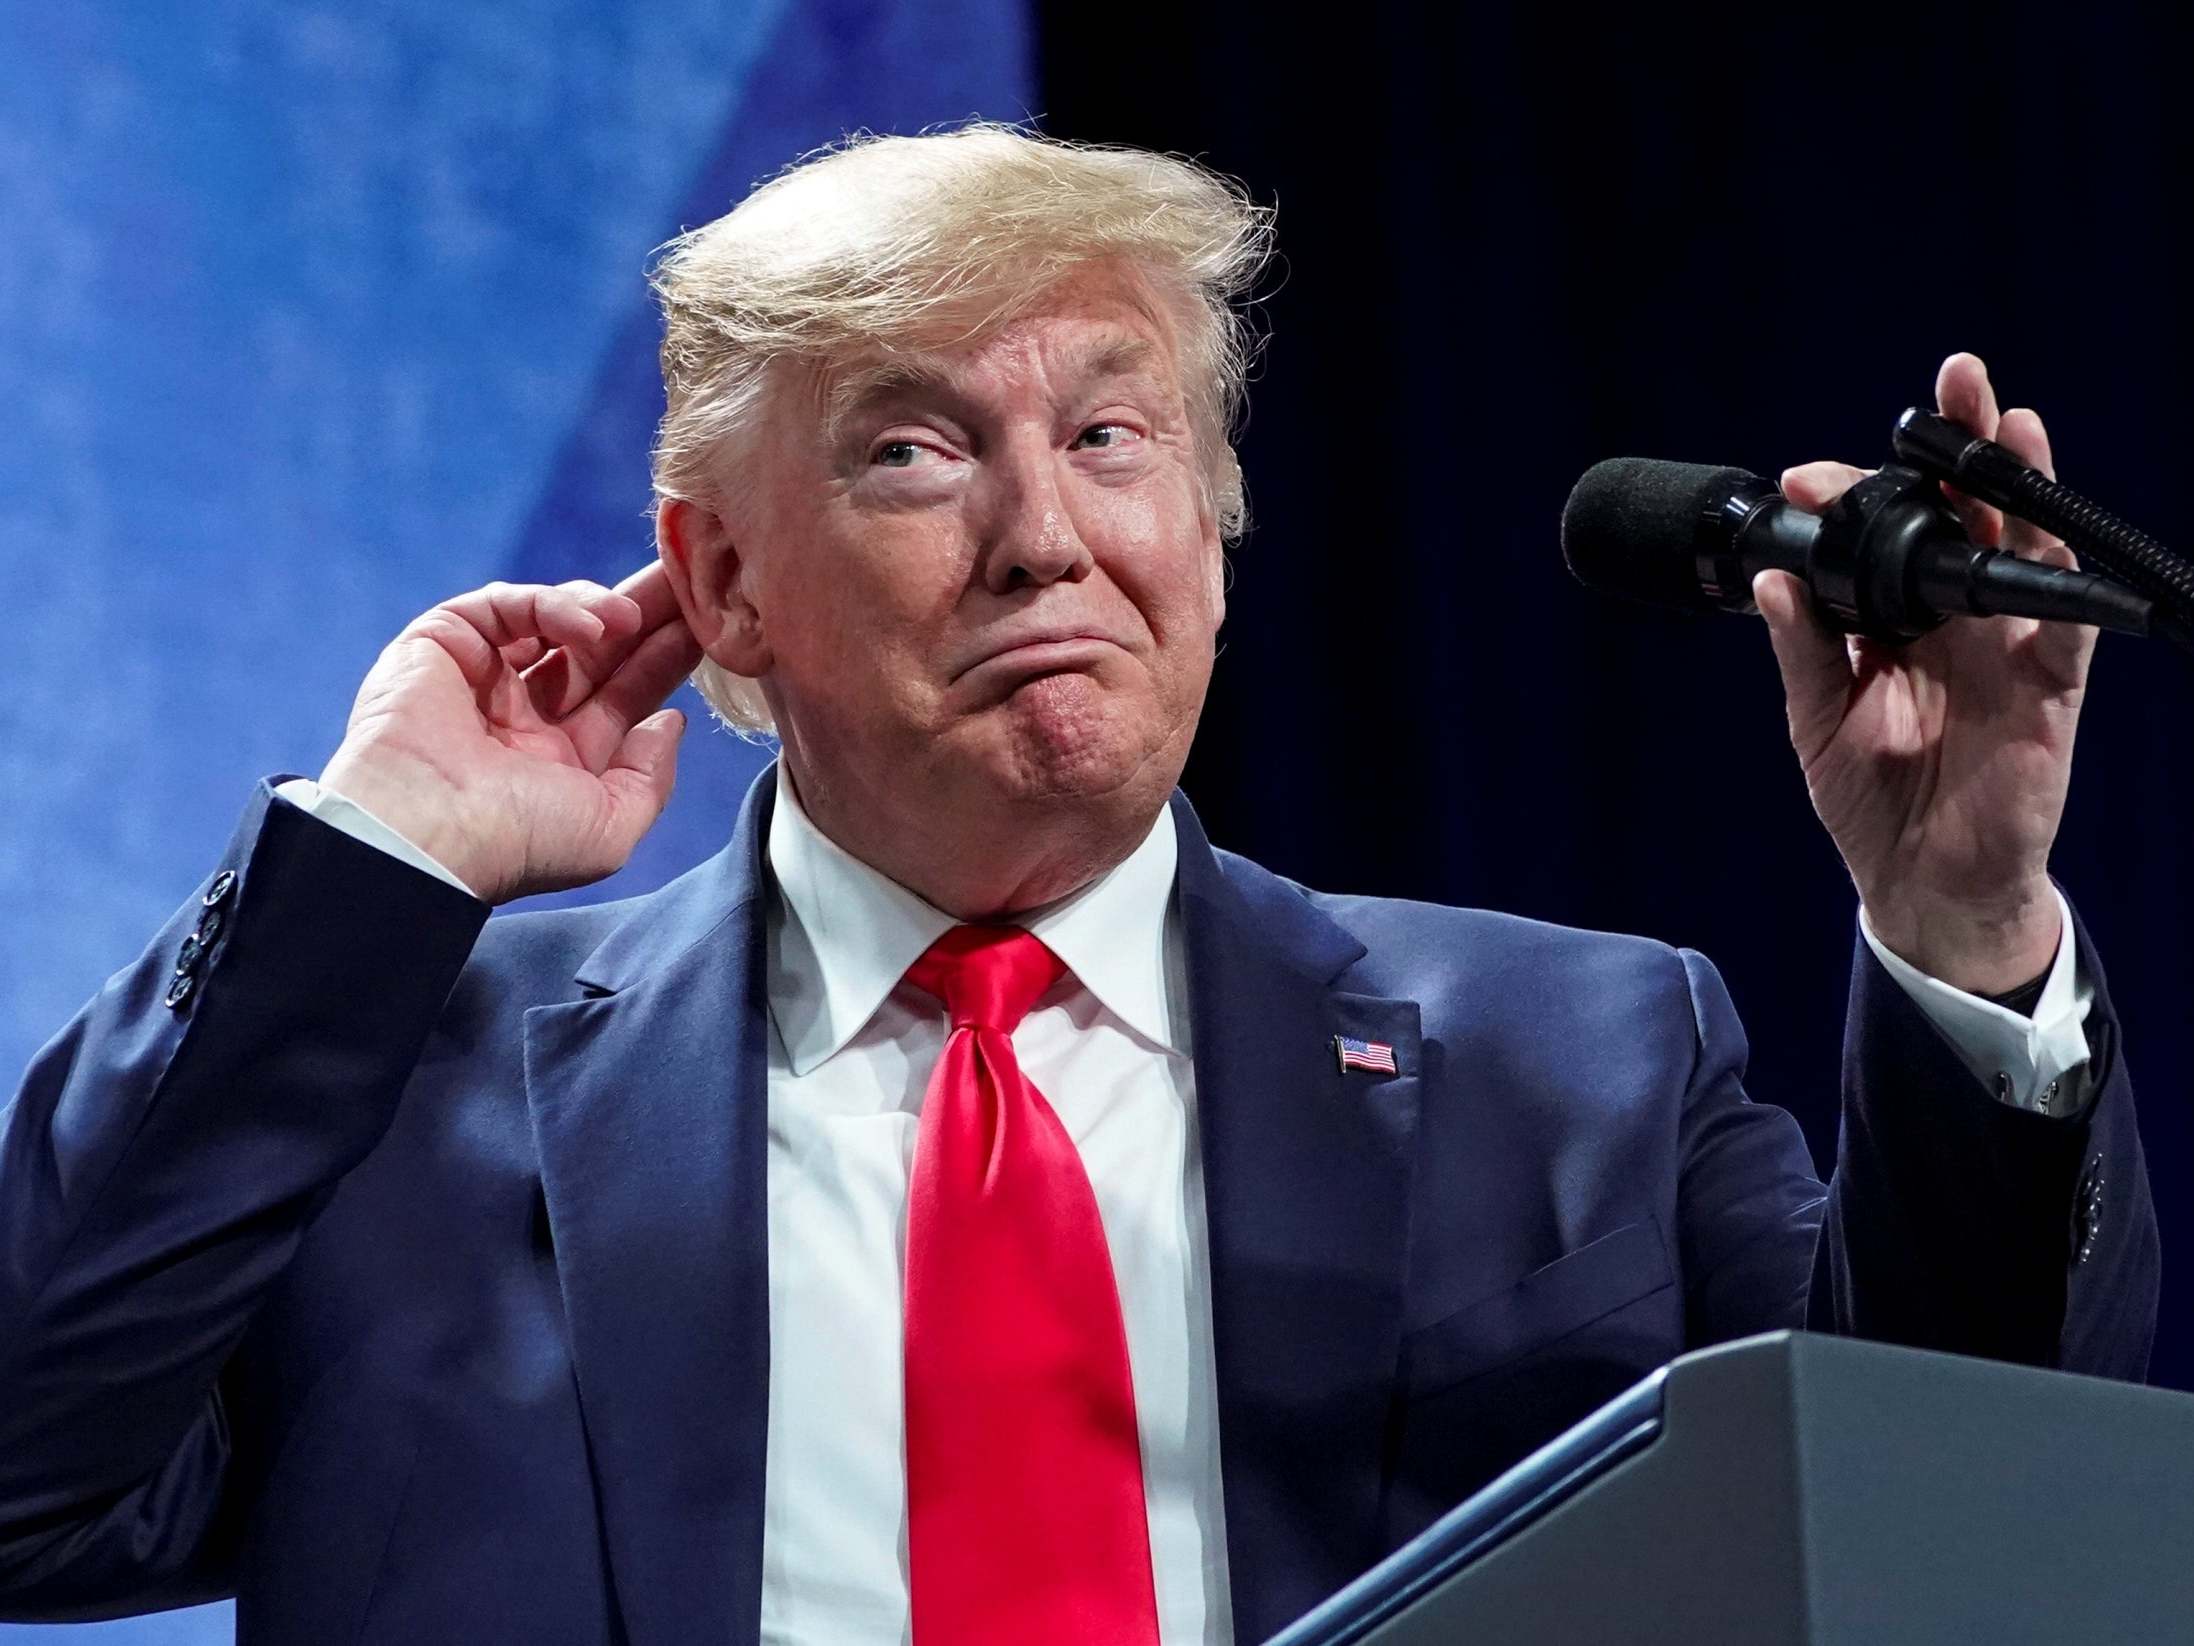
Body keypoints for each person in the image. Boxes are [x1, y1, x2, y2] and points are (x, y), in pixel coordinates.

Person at [0, 122, 2155, 1645]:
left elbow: (1957, 1519)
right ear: (720, 583)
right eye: (913, 450)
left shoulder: (1580, 1059)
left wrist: (1962, 924)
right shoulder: (399, 1093)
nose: (1045, 538)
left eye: (1113, 438)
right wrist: (376, 852)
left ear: (1210, 530)